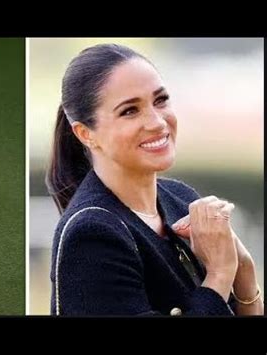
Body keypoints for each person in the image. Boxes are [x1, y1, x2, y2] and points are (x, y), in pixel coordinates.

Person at [47, 43, 263, 316]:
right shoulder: (91, 235)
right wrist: (219, 275)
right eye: (129, 111)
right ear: (85, 134)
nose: (157, 122)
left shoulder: (182, 200)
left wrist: (244, 275)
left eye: (160, 100)